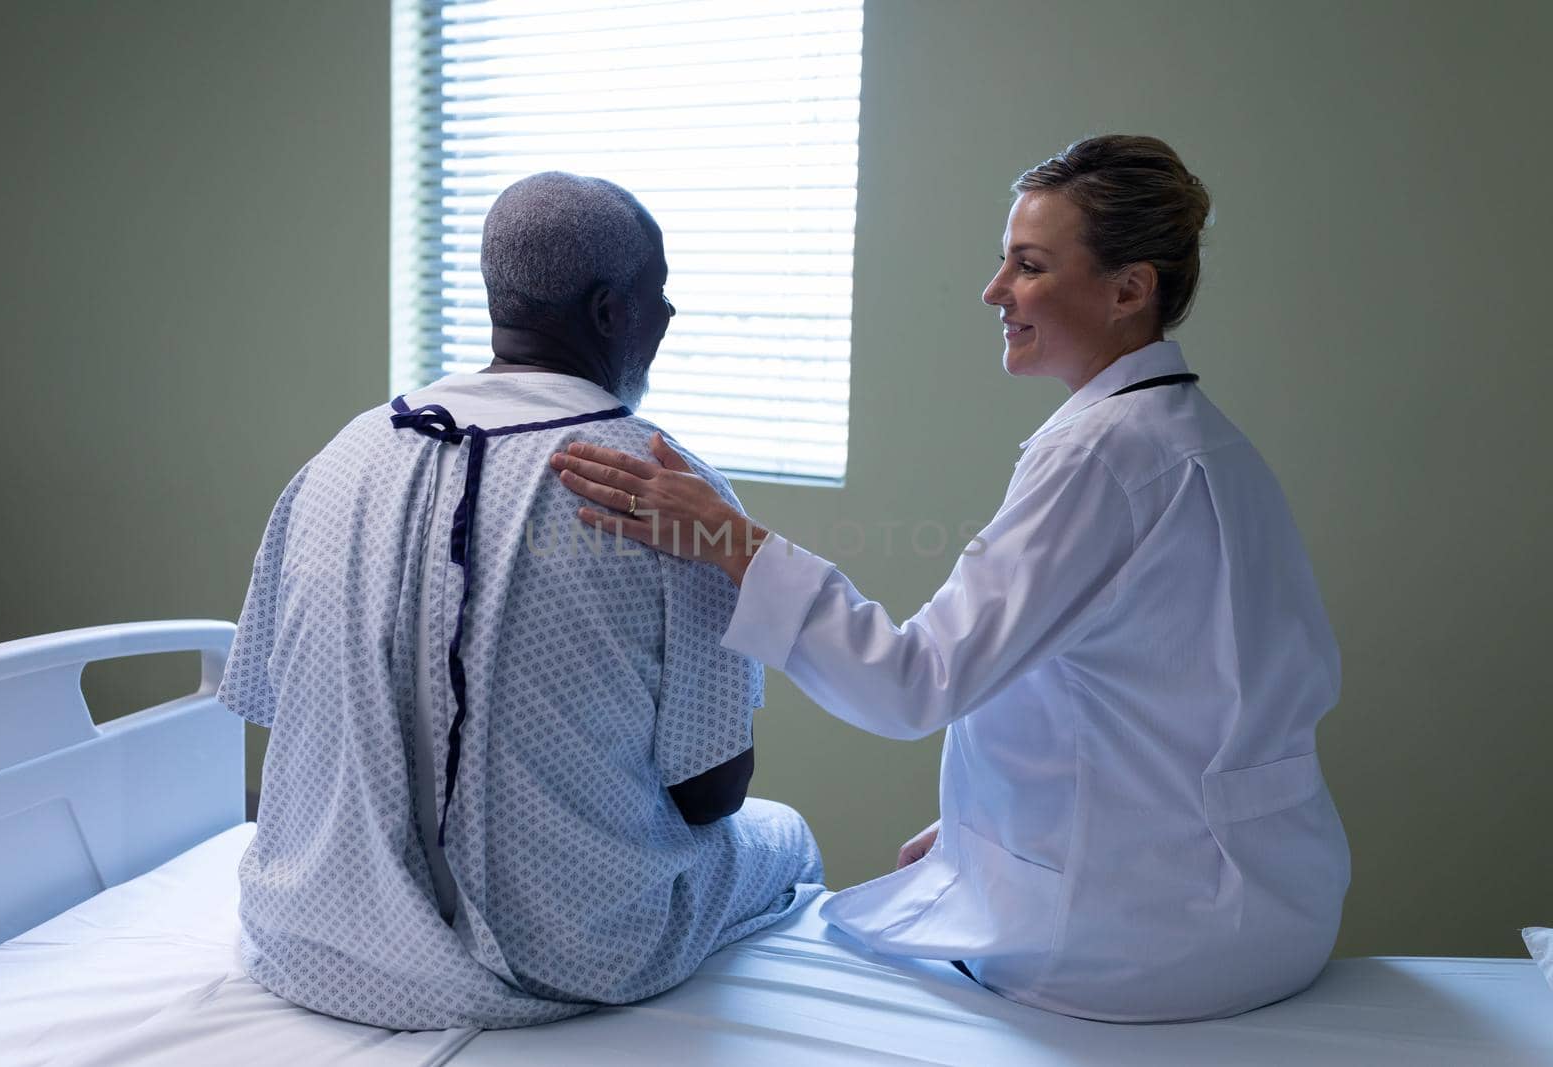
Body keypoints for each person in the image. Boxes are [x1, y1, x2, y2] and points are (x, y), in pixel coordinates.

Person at [549, 136, 1351, 1022]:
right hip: (1274, 908)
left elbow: (912, 684)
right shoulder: (1204, 442)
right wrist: (986, 827)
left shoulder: (1106, 455)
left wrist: (731, 541)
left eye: (1029, 264)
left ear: (1130, 289)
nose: (995, 289)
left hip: (1143, 947)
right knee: (907, 878)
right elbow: (1197, 698)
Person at [218, 171, 822, 1032]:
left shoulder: (341, 457)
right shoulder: (660, 491)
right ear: (611, 312)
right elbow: (711, 793)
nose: (671, 317)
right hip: (572, 954)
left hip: (312, 937)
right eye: (659, 294)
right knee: (783, 833)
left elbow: (284, 717)